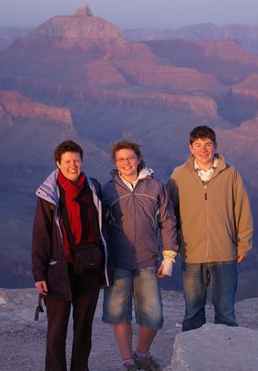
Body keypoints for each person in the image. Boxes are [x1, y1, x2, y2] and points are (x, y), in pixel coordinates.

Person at [32, 140, 113, 371]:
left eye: (76, 160)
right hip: (59, 270)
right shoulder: (48, 195)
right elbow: (40, 235)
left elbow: (105, 227)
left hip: (89, 268)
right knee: (56, 330)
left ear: (82, 161)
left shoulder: (93, 188)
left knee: (83, 329)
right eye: (67, 161)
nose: (72, 165)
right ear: (58, 164)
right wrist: (39, 273)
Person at [167, 125, 253, 332]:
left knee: (225, 311)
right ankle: (192, 357)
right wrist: (173, 246)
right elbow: (170, 214)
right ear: (191, 148)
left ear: (215, 145)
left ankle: (227, 356)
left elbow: (242, 210)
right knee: (193, 311)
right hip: (192, 254)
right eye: (198, 145)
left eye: (207, 145)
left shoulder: (230, 173)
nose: (203, 150)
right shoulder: (178, 175)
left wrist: (243, 245)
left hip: (224, 253)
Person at [101, 139, 178, 371]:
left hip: (147, 261)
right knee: (119, 314)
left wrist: (169, 257)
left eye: (130, 157)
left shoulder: (156, 187)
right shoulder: (108, 190)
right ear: (115, 163)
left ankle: (142, 355)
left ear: (138, 159)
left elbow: (168, 221)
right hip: (119, 262)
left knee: (153, 316)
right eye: (121, 159)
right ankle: (128, 362)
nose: (126, 162)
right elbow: (100, 226)